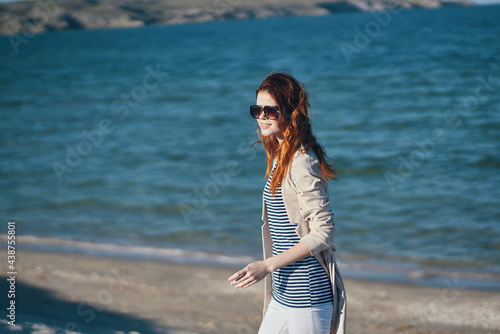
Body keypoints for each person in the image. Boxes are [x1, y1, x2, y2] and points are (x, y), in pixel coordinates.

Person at [228, 71, 347, 334]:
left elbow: (324, 232)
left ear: (290, 112)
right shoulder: (281, 154)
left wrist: (267, 265)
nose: (261, 116)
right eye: (256, 109)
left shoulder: (302, 160)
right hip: (283, 294)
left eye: (270, 111)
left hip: (307, 296)